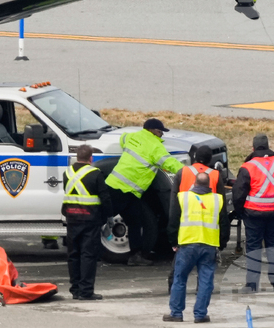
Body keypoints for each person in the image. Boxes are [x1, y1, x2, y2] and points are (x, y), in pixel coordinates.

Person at [106, 118, 184, 266]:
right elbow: (170, 163)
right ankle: (85, 248)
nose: (161, 135)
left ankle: (136, 255)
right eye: (160, 131)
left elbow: (123, 139)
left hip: (118, 187)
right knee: (99, 220)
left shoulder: (132, 137)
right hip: (124, 191)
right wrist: (189, 172)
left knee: (136, 222)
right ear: (152, 130)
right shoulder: (155, 146)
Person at [233, 134, 274, 293]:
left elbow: (238, 194)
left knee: (253, 248)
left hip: (254, 215)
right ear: (269, 146)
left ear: (253, 148)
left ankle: (252, 285)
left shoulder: (248, 167)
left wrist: (240, 212)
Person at [164, 172, 228, 323]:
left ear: (195, 183)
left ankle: (176, 313)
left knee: (180, 279)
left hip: (187, 244)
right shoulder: (217, 199)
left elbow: (173, 220)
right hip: (209, 245)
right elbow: (224, 223)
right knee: (206, 281)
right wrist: (222, 244)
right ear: (209, 185)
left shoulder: (183, 197)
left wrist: (173, 241)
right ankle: (200, 315)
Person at [169, 146, 224, 291]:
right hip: (207, 227)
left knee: (179, 266)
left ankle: (172, 289)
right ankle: (201, 295)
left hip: (186, 225)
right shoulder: (215, 175)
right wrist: (223, 238)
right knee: (205, 271)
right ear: (210, 160)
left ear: (193, 157)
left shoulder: (182, 172)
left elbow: (173, 205)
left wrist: (172, 235)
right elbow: (221, 207)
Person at [63, 144, 112, 301]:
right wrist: (108, 217)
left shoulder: (67, 173)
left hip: (71, 218)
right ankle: (86, 291)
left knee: (73, 254)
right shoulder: (95, 173)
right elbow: (105, 198)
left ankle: (75, 289)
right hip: (90, 220)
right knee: (88, 255)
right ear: (91, 158)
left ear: (77, 157)